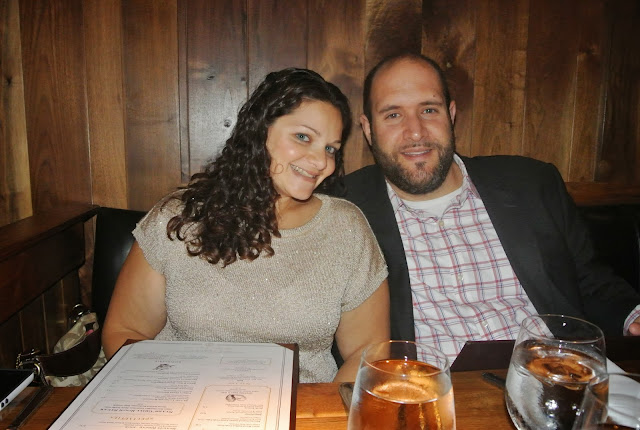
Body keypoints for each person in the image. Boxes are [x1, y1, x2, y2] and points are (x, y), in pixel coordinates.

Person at [343, 52, 640, 360]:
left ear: (451, 115)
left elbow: (589, 280)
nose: (416, 132)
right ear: (368, 129)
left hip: (555, 369)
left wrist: (633, 316)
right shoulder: (344, 205)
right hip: (430, 383)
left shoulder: (531, 183)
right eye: (393, 115)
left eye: (429, 110)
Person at [102, 68, 390, 383]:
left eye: (330, 148)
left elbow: (368, 351)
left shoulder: (346, 228)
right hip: (182, 398)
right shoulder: (178, 217)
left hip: (302, 403)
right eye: (303, 137)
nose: (322, 162)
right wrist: (176, 394)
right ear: (259, 130)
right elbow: (125, 331)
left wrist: (324, 409)